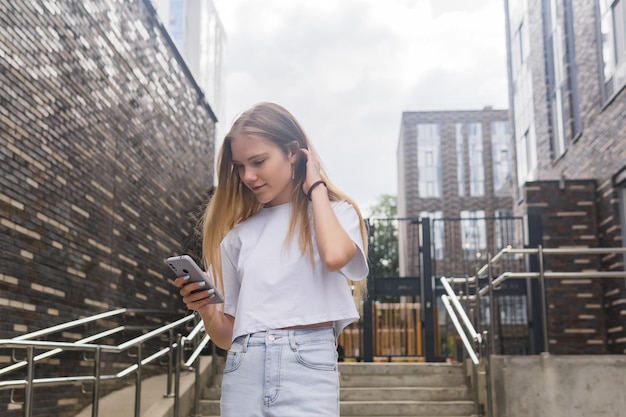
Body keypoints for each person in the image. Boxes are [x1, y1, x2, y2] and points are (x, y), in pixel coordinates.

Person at [173, 102, 369, 417]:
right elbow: (227, 336)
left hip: (308, 367)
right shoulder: (237, 237)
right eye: (239, 166)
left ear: (294, 152)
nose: (248, 176)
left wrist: (315, 184)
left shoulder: (337, 214)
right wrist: (207, 311)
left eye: (258, 161)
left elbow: (334, 257)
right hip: (244, 365)